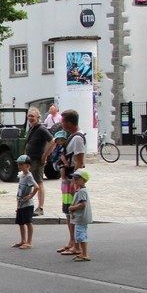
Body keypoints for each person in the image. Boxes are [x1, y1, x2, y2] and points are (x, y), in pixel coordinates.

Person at [57, 110, 86, 257]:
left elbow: (79, 163)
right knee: (68, 212)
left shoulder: (78, 139)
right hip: (67, 181)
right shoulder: (72, 137)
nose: (61, 124)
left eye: (63, 121)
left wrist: (76, 184)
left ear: (69, 122)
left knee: (72, 212)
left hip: (71, 182)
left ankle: (76, 246)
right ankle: (71, 241)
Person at [24, 108, 54, 216]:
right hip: (29, 160)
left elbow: (52, 141)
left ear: (38, 117)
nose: (30, 118)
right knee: (28, 182)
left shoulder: (41, 129)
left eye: (32, 116)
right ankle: (26, 205)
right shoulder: (32, 128)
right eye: (29, 116)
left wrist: (45, 155)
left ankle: (40, 208)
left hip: (37, 160)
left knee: (38, 182)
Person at [13, 154, 38, 249]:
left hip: (27, 204)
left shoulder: (28, 176)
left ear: (28, 165)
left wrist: (30, 196)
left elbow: (36, 187)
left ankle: (29, 241)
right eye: (18, 164)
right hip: (20, 203)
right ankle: (23, 240)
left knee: (28, 222)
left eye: (21, 164)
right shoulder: (22, 176)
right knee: (20, 222)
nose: (19, 166)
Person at [67, 169, 92, 261]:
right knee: (80, 234)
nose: (75, 181)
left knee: (80, 235)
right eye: (74, 179)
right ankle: (83, 253)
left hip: (80, 218)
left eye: (77, 179)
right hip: (79, 218)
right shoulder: (80, 190)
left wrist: (73, 208)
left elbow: (83, 204)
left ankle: (84, 254)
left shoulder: (82, 191)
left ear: (83, 180)